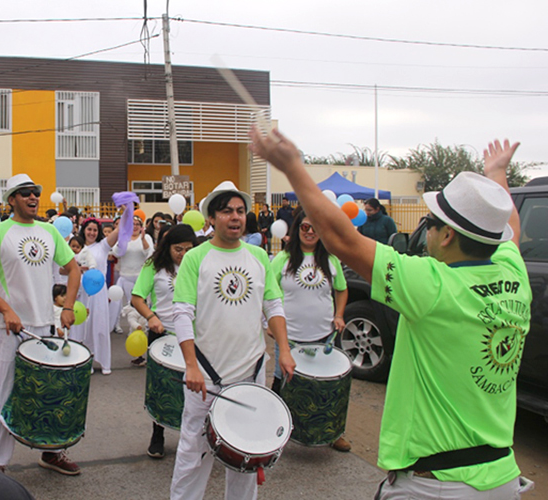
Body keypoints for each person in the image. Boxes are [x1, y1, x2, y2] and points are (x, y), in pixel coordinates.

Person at [252, 129, 532, 498]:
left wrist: (293, 167)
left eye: (429, 224)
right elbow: (508, 228)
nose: (426, 232)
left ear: (446, 236)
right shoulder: (514, 274)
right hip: (501, 477)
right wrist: (497, 176)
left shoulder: (432, 285)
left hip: (439, 485)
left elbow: (342, 240)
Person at [169, 181, 295, 500]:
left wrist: (285, 351)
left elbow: (273, 305)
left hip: (250, 376)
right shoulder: (196, 258)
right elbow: (181, 313)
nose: (235, 217)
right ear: (211, 218)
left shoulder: (258, 256)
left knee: (247, 460)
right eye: (227, 211)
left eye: (240, 211)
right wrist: (190, 366)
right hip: (205, 380)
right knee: (192, 458)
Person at [0, 173, 82, 476]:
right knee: (7, 395)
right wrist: (6, 310)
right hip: (13, 329)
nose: (33, 197)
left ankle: (52, 452)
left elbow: (73, 269)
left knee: (49, 392)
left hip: (45, 327)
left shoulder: (48, 231)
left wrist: (68, 307)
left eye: (35, 192)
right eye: (25, 193)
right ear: (11, 200)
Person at [268, 210, 350, 452]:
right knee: (282, 384)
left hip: (323, 336)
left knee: (328, 387)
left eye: (315, 227)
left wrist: (339, 314)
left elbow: (342, 289)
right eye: (305, 227)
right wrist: (270, 324)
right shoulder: (281, 260)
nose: (310, 232)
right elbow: (268, 295)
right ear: (297, 229)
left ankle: (334, 433)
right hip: (289, 338)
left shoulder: (331, 260)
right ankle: (274, 432)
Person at [131, 224, 197, 459]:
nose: (182, 254)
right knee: (161, 387)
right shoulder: (154, 266)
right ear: (167, 247)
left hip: (192, 335)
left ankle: (193, 438)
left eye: (188, 249)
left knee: (194, 388)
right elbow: (137, 298)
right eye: (178, 249)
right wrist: (151, 317)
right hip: (162, 333)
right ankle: (157, 433)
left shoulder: (198, 265)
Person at [76, 217, 120, 374]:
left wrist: (128, 211)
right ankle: (84, 359)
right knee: (83, 326)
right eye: (89, 229)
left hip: (99, 291)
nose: (92, 233)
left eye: (95, 230)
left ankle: (103, 361)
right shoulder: (77, 247)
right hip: (82, 290)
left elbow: (117, 231)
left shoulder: (102, 246)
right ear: (84, 230)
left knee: (99, 324)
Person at [111, 215, 153, 337]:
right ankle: (119, 325)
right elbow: (116, 253)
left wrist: (143, 239)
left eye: (137, 224)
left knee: (141, 304)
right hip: (126, 276)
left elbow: (148, 253)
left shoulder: (147, 237)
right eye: (132, 224)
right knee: (128, 305)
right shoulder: (124, 238)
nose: (134, 227)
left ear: (141, 227)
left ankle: (141, 328)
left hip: (141, 276)